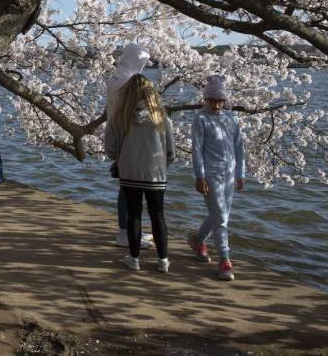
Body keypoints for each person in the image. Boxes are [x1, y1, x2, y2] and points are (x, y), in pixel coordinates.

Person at [104, 74, 175, 273]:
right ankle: (163, 260)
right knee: (158, 216)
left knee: (133, 215)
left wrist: (120, 157)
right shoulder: (162, 117)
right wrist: (162, 164)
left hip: (129, 172)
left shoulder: (120, 116)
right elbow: (171, 151)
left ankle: (134, 259)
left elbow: (109, 147)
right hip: (155, 173)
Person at [188, 75, 245, 281]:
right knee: (221, 217)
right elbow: (196, 150)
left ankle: (198, 240)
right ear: (205, 100)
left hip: (229, 173)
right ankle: (224, 260)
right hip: (210, 173)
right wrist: (199, 176)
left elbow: (239, 147)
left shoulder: (232, 118)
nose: (215, 105)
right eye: (211, 100)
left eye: (219, 101)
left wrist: (240, 173)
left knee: (220, 215)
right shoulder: (200, 119)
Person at [105, 43, 154, 250]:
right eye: (141, 62)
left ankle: (130, 229)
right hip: (129, 137)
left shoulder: (116, 77)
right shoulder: (125, 82)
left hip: (121, 135)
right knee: (129, 188)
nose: (143, 66)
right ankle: (125, 232)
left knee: (128, 187)